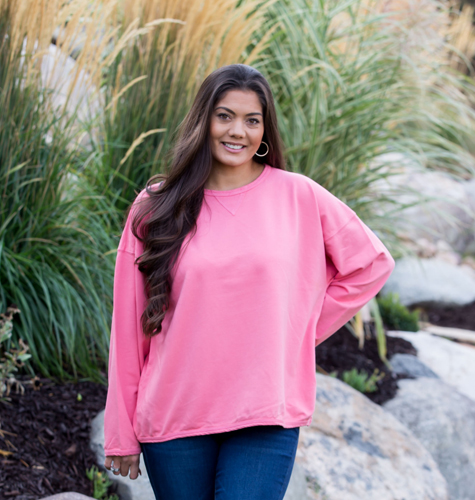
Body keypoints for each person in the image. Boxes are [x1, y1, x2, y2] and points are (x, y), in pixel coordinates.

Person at [103, 63, 396, 499]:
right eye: (224, 116)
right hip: (174, 415)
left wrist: (298, 331)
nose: (237, 131)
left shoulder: (299, 195)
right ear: (203, 120)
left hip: (264, 414)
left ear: (265, 130)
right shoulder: (156, 207)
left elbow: (370, 264)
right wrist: (120, 430)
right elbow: (128, 328)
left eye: (251, 120)